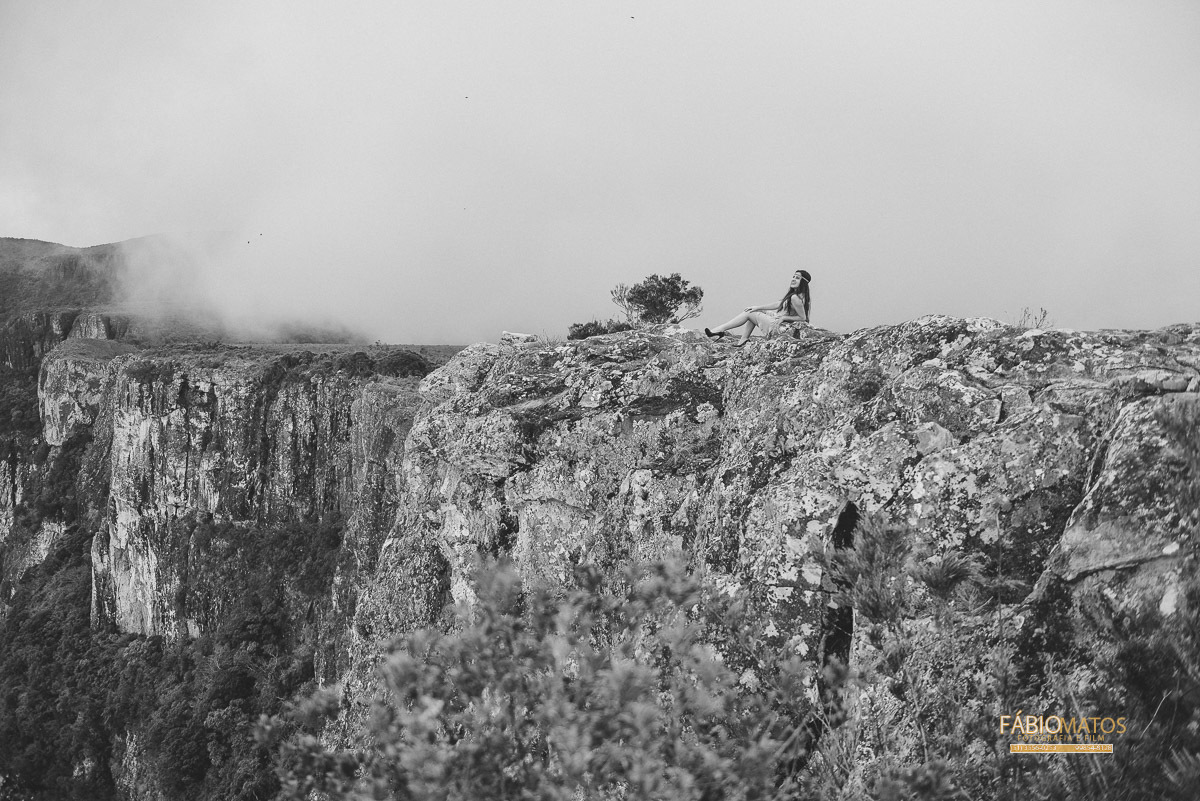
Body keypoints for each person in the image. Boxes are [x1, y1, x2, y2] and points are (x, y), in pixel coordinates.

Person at [705, 269, 811, 345]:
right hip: (778, 321)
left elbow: (803, 318)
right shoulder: (795, 295)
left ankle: (719, 330)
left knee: (750, 313)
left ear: (803, 282)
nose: (793, 279)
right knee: (753, 310)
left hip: (779, 327)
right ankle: (743, 339)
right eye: (793, 277)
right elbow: (778, 304)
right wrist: (758, 307)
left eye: (797, 278)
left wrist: (784, 318)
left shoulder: (795, 298)